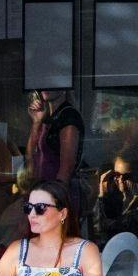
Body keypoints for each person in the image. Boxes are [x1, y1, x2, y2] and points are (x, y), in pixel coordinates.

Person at [0, 179, 109, 276]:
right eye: (28, 208)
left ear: (62, 213)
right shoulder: (17, 250)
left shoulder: (85, 250)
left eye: (40, 208)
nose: (32, 214)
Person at [26, 89, 86, 227]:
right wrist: (36, 123)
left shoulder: (68, 117)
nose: (47, 86)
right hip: (41, 193)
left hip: (57, 196)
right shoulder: (48, 116)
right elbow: (31, 155)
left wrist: (54, 204)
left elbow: (66, 168)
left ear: (65, 86)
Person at [93, 153, 138, 243]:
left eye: (126, 177)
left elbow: (107, 228)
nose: (120, 180)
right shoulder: (113, 202)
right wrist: (101, 191)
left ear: (136, 177)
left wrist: (101, 197)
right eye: (116, 175)